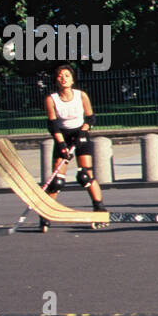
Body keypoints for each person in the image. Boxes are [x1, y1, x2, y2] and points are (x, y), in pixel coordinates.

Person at [40, 64, 106, 231]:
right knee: (57, 181)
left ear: (72, 79)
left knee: (85, 175)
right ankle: (45, 213)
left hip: (80, 134)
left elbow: (90, 118)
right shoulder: (51, 99)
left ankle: (99, 209)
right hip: (62, 136)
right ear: (56, 80)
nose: (64, 78)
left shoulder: (81, 96)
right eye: (60, 76)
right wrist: (62, 145)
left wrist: (83, 134)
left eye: (67, 75)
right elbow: (53, 125)